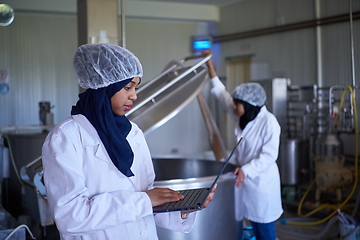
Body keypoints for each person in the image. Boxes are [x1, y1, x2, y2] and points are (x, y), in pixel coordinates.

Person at [41, 43, 216, 240]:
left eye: (135, 87)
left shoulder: (133, 132)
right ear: (104, 86)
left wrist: (183, 208)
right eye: (127, 87)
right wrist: (144, 201)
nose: (134, 95)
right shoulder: (66, 137)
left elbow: (146, 197)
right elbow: (71, 217)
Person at [204, 51, 283, 240]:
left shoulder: (269, 122)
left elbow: (269, 156)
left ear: (248, 104)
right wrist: (210, 67)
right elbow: (222, 97)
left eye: (237, 104)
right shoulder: (243, 116)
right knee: (246, 227)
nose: (233, 107)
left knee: (264, 231)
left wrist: (246, 170)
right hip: (243, 181)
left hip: (261, 185)